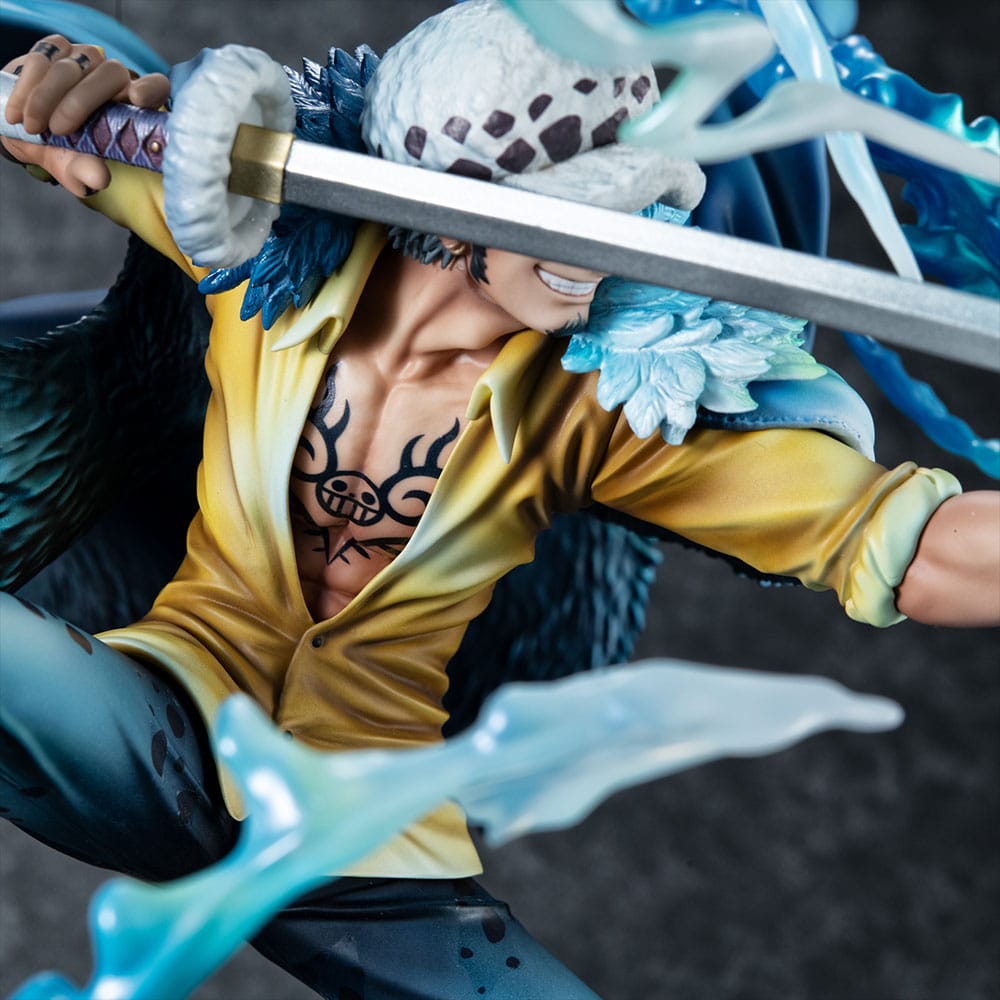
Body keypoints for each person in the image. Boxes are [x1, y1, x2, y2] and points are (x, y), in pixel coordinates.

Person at [1, 2, 997, 997]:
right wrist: (49, 83)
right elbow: (46, 121)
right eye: (574, 210)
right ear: (450, 212)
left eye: (626, 204)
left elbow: (905, 545)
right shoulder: (255, 242)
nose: (612, 242)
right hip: (159, 711)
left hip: (364, 829)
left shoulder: (595, 404)